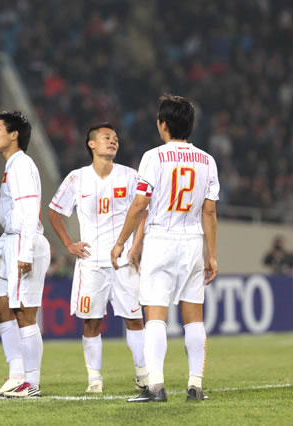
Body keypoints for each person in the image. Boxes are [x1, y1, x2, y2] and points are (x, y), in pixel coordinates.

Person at [111, 95, 219, 402]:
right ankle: (196, 385)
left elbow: (141, 203)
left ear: (164, 125)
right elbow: (209, 212)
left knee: (155, 315)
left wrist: (123, 241)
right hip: (192, 241)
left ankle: (156, 386)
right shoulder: (207, 161)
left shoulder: (153, 158)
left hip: (161, 241)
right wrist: (211, 254)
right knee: (193, 316)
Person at [48, 123, 148, 393]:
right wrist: (69, 244)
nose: (113, 141)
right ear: (91, 144)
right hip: (91, 262)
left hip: (123, 261)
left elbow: (143, 212)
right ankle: (95, 379)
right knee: (92, 321)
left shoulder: (129, 176)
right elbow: (54, 212)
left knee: (135, 318)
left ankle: (143, 374)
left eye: (115, 138)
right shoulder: (77, 178)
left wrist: (136, 246)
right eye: (106, 138)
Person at [0, 111, 51, 398]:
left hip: (25, 243)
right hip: (12, 242)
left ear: (14, 135)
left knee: (24, 313)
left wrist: (26, 250)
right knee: (3, 308)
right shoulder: (12, 166)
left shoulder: (21, 165)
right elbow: (12, 220)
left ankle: (31, 383)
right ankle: (16, 375)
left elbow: (29, 212)